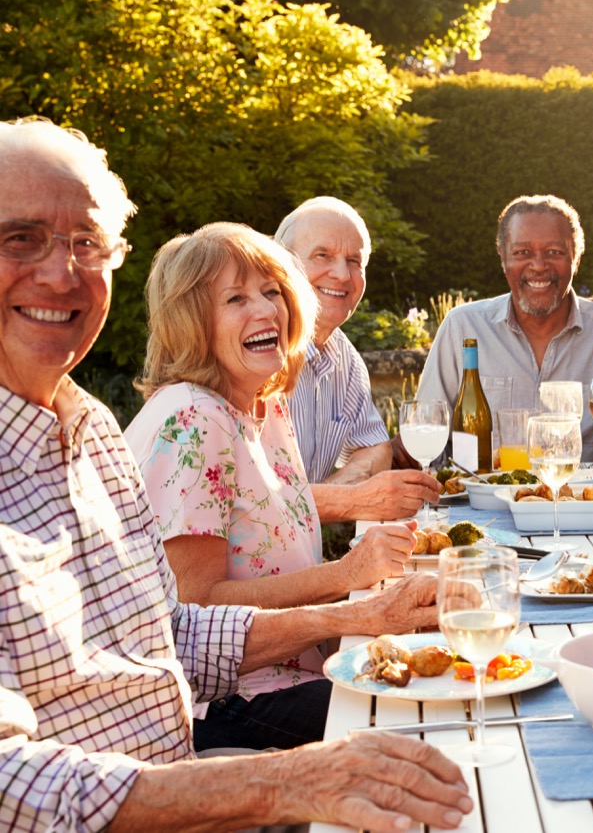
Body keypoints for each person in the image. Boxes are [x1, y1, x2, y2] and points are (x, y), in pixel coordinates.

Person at [0, 117, 471, 830]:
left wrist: (365, 613)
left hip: (187, 778)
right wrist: (278, 781)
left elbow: (170, 632)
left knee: (453, 747)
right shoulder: (185, 416)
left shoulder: (90, 435)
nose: (62, 271)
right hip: (197, 771)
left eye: (86, 243)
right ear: (193, 316)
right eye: (21, 237)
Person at [123, 222, 424, 751]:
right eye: (236, 298)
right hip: (228, 702)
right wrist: (347, 575)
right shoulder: (193, 419)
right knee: (416, 712)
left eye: (272, 292)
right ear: (193, 320)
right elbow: (195, 614)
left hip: (294, 671)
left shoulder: (264, 404)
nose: (265, 311)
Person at [415, 194, 593, 465]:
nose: (538, 266)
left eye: (554, 253)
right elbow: (424, 440)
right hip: (480, 504)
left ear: (576, 259)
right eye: (522, 252)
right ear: (502, 258)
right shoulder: (463, 329)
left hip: (583, 504)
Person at [275, 197, 438, 521]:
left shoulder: (343, 359)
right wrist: (351, 500)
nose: (341, 274)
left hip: (300, 562)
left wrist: (334, 494)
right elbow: (251, 503)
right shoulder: (259, 352)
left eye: (354, 261)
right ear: (283, 264)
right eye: (323, 255)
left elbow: (375, 449)